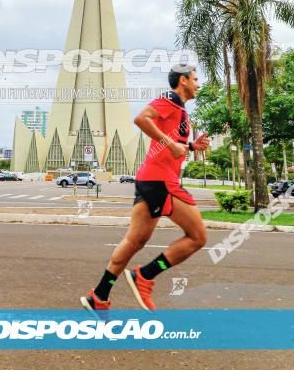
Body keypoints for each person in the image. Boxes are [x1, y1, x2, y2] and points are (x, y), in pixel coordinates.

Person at [80, 64, 210, 313]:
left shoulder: (179, 109)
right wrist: (170, 142)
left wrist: (191, 147)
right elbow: (141, 119)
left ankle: (99, 295)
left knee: (134, 241)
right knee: (197, 237)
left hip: (150, 178)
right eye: (195, 79)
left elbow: (173, 145)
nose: (198, 84)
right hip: (161, 181)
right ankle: (146, 275)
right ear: (183, 80)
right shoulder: (169, 98)